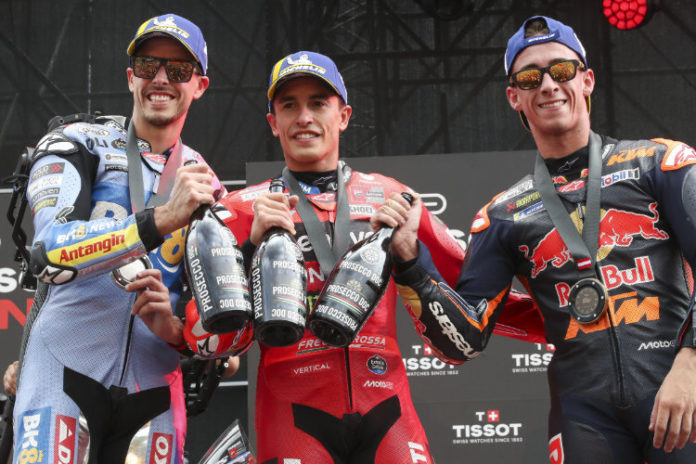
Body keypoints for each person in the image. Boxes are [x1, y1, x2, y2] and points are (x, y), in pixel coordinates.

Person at [373, 15, 696, 464]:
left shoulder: (659, 164)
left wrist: (690, 362)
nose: (547, 85)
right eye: (530, 77)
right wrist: (410, 261)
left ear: (586, 80)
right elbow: (463, 342)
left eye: (561, 71)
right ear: (514, 97)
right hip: (584, 416)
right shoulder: (502, 215)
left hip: (680, 389)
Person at [196, 50, 535, 463]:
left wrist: (557, 321)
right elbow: (203, 338)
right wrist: (250, 247)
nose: (304, 117)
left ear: (343, 116)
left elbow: (475, 293)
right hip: (291, 410)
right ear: (273, 122)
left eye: (318, 103)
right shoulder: (242, 208)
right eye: (289, 106)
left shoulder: (392, 197)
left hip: (386, 403)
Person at [13, 13, 223, 464]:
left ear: (199, 86)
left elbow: (217, 331)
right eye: (148, 65)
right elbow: (47, 251)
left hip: (155, 389)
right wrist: (160, 219)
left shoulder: (208, 184)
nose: (161, 79)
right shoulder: (76, 141)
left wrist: (183, 332)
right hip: (63, 372)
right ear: (131, 78)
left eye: (178, 69)